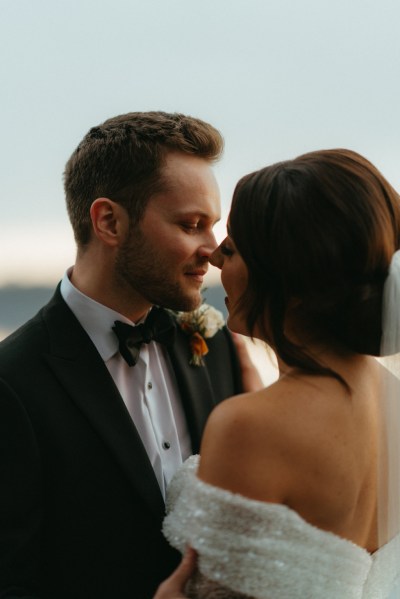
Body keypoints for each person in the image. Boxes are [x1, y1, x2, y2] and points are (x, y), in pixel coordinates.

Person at [0, 111, 250, 599]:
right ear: (109, 221)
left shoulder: (214, 344)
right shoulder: (12, 383)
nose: (213, 251)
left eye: (213, 226)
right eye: (192, 224)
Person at [154, 148, 400, 598]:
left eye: (233, 248)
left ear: (288, 275)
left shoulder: (251, 425)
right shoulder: (393, 398)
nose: (215, 260)